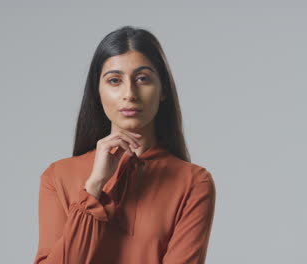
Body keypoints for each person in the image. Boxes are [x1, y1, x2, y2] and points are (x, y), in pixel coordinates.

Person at [33, 25, 216, 264]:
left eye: (142, 79)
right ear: (98, 92)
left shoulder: (193, 183)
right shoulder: (57, 176)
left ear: (163, 91)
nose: (129, 93)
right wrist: (94, 187)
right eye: (114, 80)